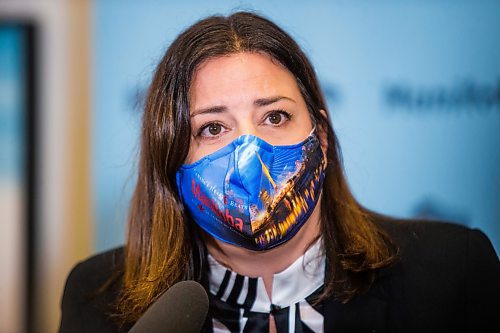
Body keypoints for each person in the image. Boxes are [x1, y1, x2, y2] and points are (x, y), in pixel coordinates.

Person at [59, 11, 500, 333]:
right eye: (213, 128)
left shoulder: (451, 273)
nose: (250, 154)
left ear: (321, 137)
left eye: (275, 118)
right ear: (172, 160)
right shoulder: (98, 296)